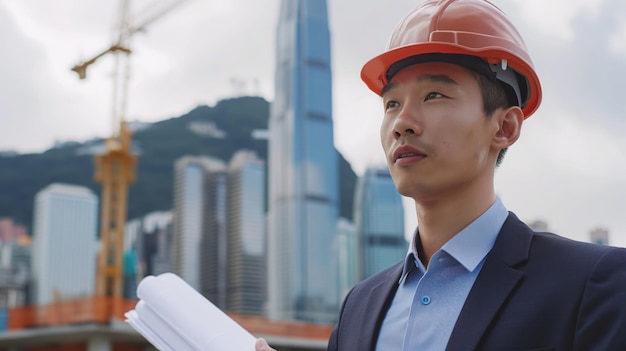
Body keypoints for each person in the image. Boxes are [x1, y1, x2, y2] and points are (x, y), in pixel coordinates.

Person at [257, 0, 626, 350]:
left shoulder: (591, 283)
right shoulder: (358, 307)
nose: (402, 123)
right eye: (391, 104)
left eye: (434, 95)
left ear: (505, 127)